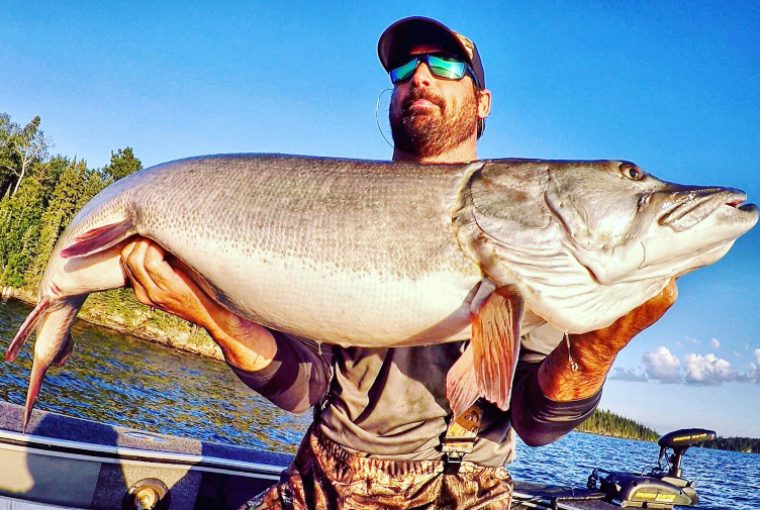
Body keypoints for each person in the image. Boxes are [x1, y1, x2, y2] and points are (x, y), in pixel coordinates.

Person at [119, 17, 677, 509]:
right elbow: (301, 388)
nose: (420, 76)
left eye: (445, 62)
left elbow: (534, 423)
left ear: (483, 101)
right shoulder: (334, 211)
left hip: (472, 492)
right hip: (331, 482)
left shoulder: (531, 233)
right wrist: (208, 313)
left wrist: (595, 348)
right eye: (404, 68)